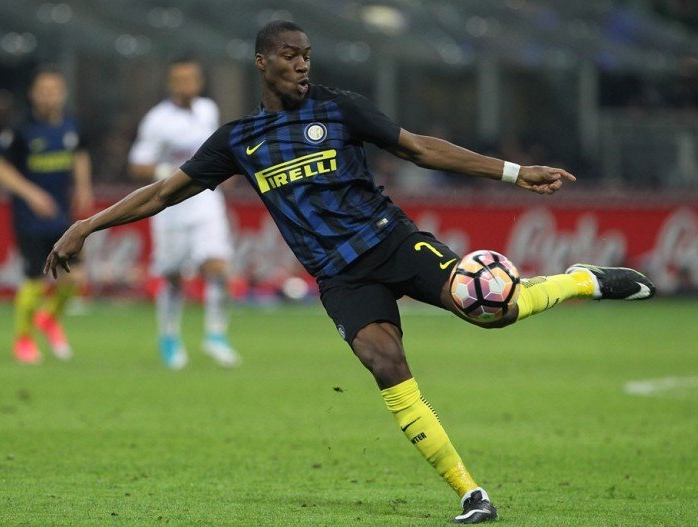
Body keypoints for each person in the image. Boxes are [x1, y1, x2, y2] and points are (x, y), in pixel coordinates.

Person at [44, 21, 656, 524]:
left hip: (392, 242)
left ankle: (582, 280)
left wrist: (515, 173)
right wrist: (87, 225)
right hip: (341, 278)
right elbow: (162, 192)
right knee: (386, 365)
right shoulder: (240, 140)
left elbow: (420, 148)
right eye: (290, 56)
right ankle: (472, 493)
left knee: (493, 310)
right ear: (262, 63)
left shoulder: (339, 109)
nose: (302, 65)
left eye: (307, 56)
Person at [128, 58, 240, 370]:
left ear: (199, 82)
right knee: (173, 276)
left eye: (191, 78)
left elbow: (215, 150)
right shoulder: (157, 120)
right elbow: (137, 164)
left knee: (218, 267)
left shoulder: (208, 110)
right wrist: (172, 174)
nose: (186, 85)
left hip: (206, 203)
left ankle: (216, 335)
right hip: (171, 208)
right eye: (179, 79)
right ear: (170, 83)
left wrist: (225, 169)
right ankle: (168, 337)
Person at [0, 65, 93, 364]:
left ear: (63, 93)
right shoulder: (20, 128)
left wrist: (83, 186)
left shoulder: (71, 125)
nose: (49, 96)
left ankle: (48, 318)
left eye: (54, 90)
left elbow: (80, 153)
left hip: (63, 215)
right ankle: (23, 339)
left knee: (75, 279)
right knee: (35, 281)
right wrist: (31, 194)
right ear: (33, 94)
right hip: (29, 218)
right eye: (44, 91)